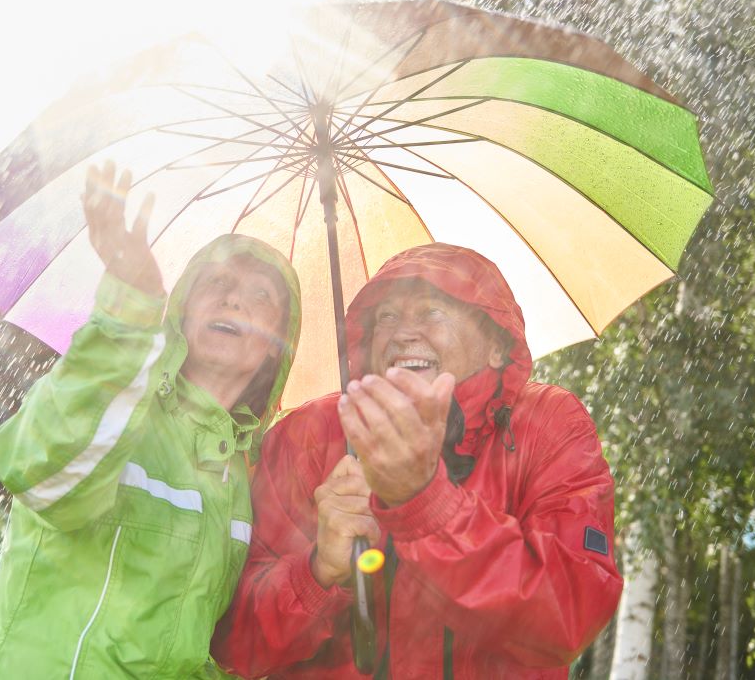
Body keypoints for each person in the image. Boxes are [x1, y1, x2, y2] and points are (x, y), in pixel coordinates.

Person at [211, 242, 622, 678]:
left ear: (496, 347)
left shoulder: (548, 425)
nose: (403, 333)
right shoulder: (309, 434)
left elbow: (565, 616)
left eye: (431, 312)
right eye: (387, 317)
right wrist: (317, 573)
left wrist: (425, 501)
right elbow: (236, 646)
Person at [0, 163, 302, 678]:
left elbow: (186, 648)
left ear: (278, 345)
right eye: (217, 282)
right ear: (182, 310)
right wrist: (130, 305)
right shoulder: (123, 402)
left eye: (263, 296)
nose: (234, 298)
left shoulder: (244, 476)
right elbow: (44, 474)